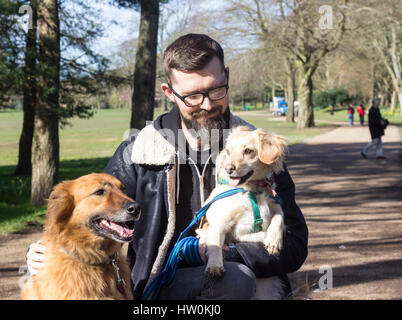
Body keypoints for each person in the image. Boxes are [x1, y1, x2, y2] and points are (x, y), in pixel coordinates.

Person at [26, 34, 308, 300]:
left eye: (216, 90)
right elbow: (93, 211)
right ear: (169, 92)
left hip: (236, 275)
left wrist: (220, 251)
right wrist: (47, 250)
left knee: (235, 277)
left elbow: (294, 248)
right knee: (236, 279)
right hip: (159, 285)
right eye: (193, 96)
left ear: (228, 76)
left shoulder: (258, 152)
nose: (207, 104)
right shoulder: (138, 152)